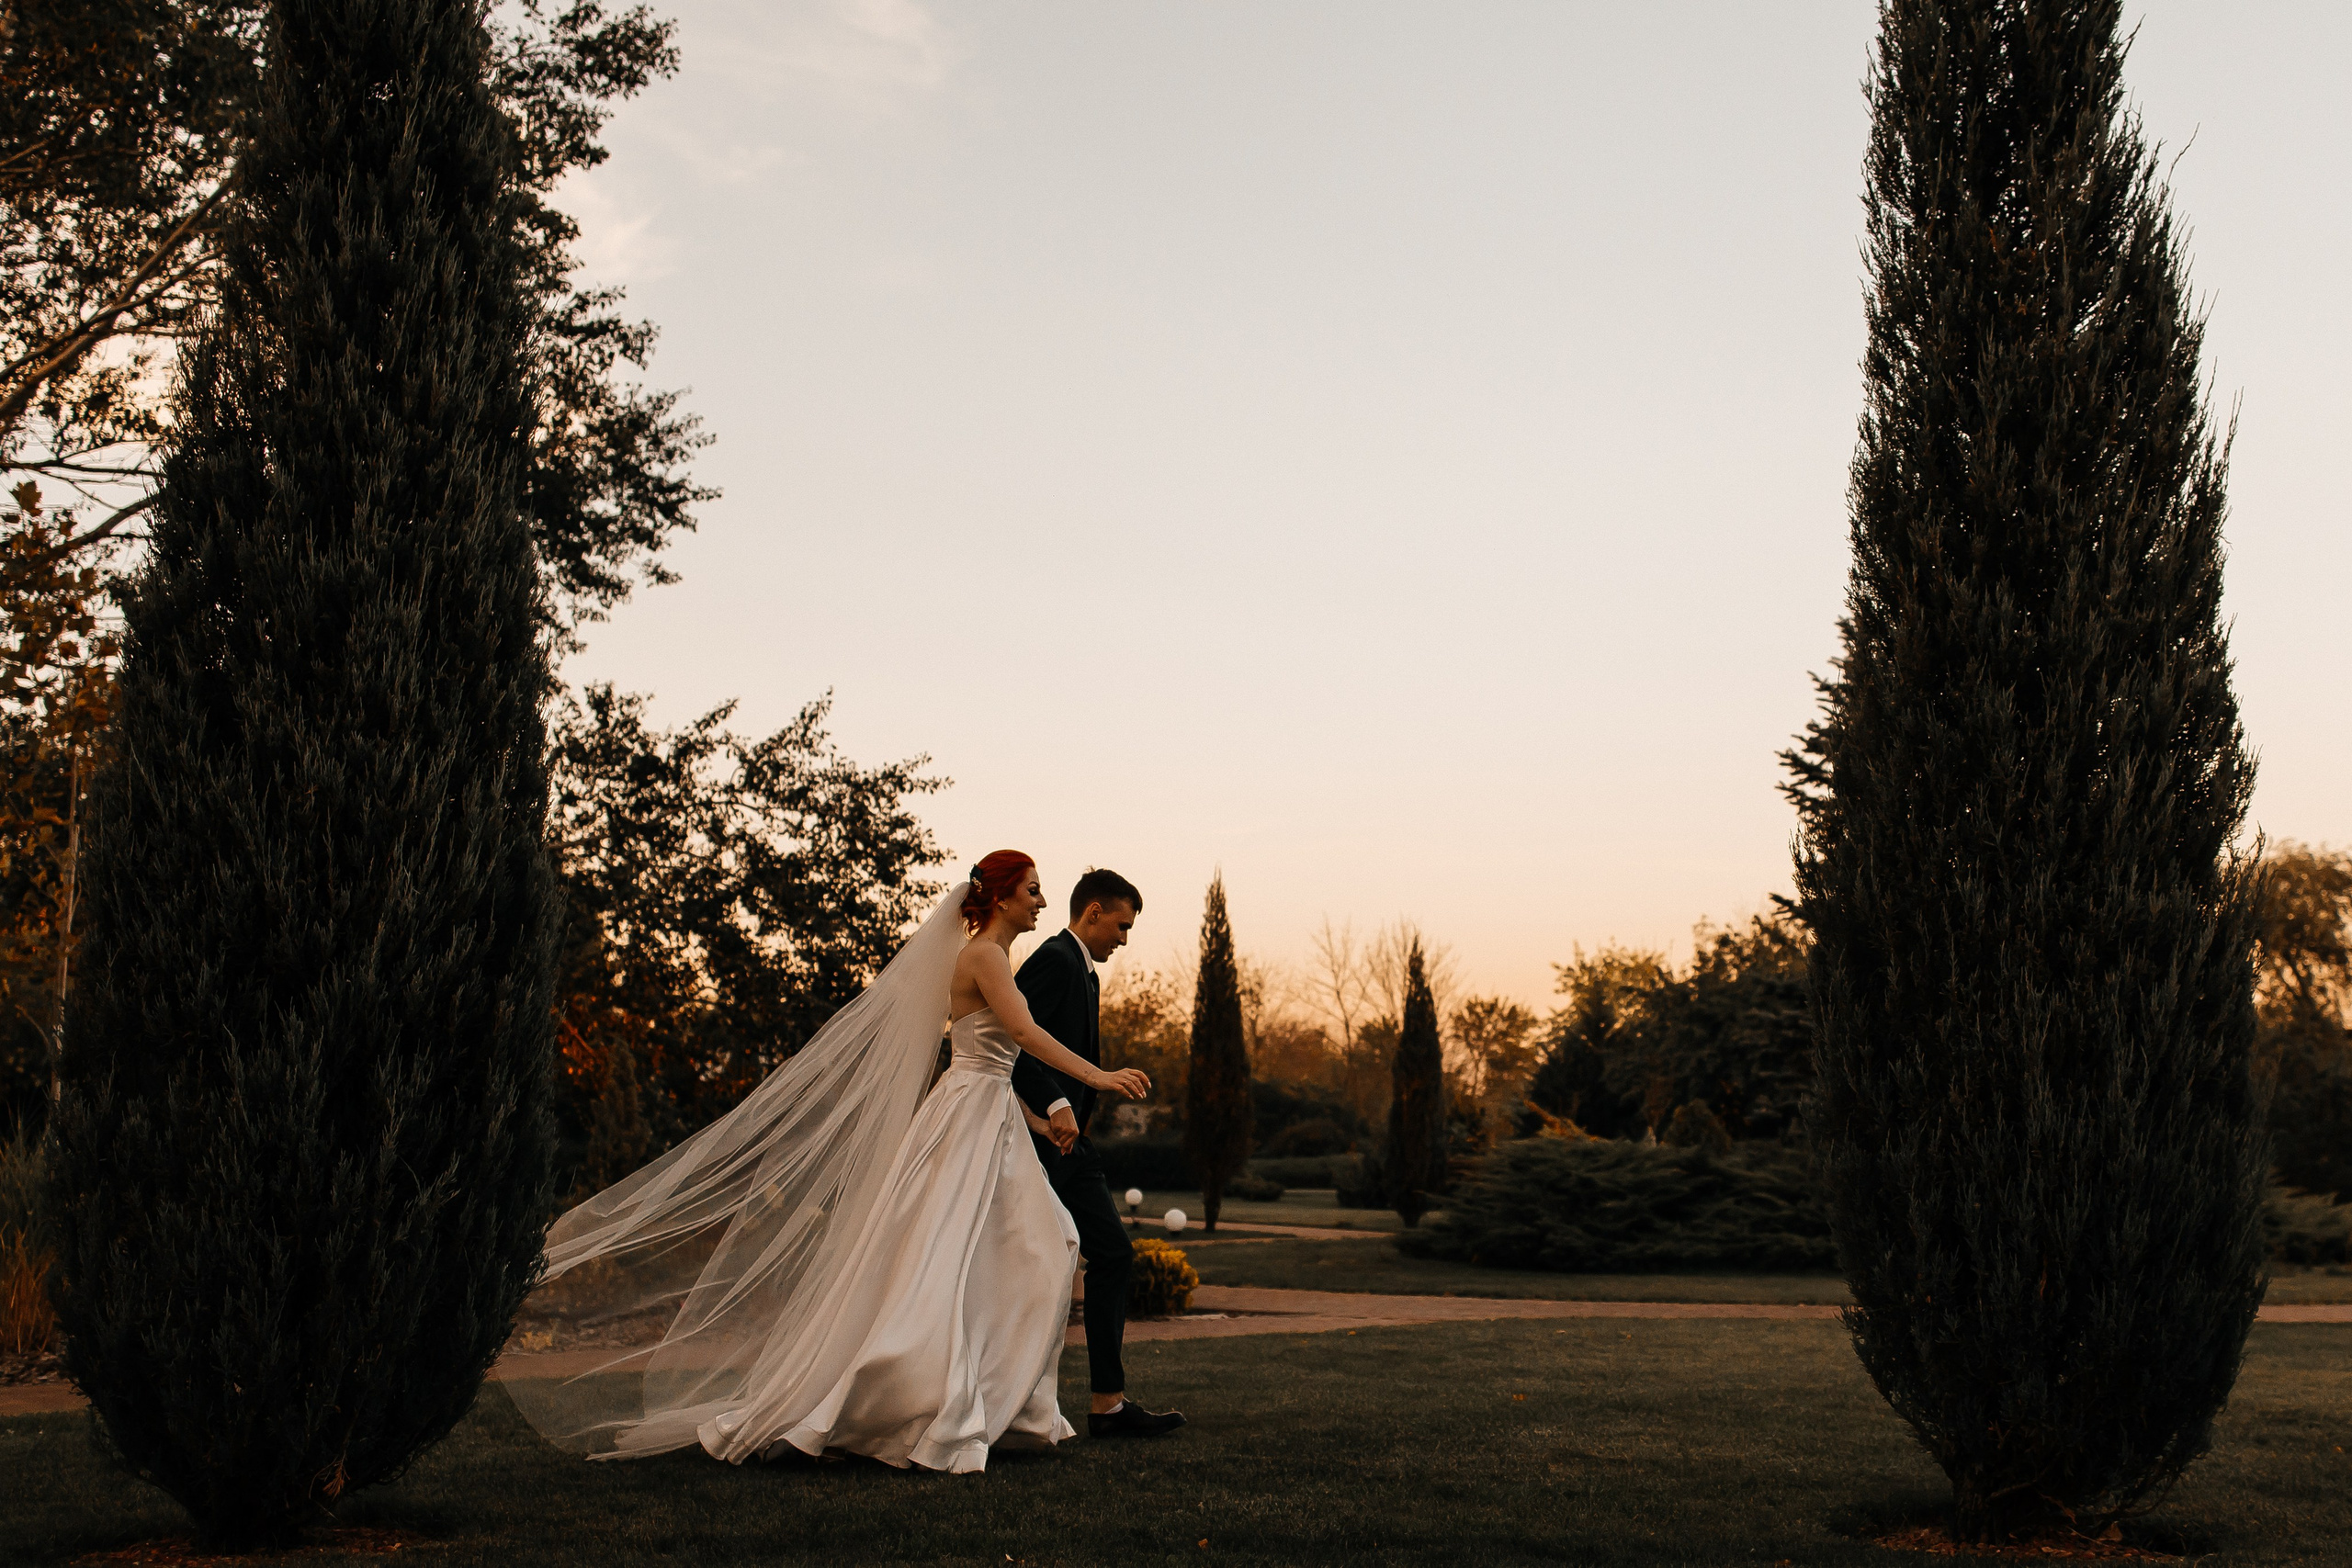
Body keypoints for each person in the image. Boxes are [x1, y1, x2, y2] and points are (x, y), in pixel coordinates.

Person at [510, 851, 1149, 1472]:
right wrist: (1102, 1074)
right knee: (960, 1256)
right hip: (968, 1120)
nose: (1042, 900)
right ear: (1005, 895)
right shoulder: (982, 954)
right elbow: (1024, 1035)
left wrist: (1040, 1117)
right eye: (1033, 888)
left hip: (991, 1114)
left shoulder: (995, 955)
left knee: (1027, 1246)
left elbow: (994, 1060)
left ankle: (988, 1399)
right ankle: (915, 1396)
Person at [1012, 868, 1188, 1438]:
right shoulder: (1056, 961)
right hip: (1039, 1140)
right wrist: (1056, 1107)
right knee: (1035, 1263)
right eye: (1121, 925)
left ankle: (1108, 1405)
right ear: (1092, 913)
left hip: (1068, 1145)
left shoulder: (1084, 972)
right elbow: (1011, 1043)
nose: (1124, 939)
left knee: (1111, 1254)